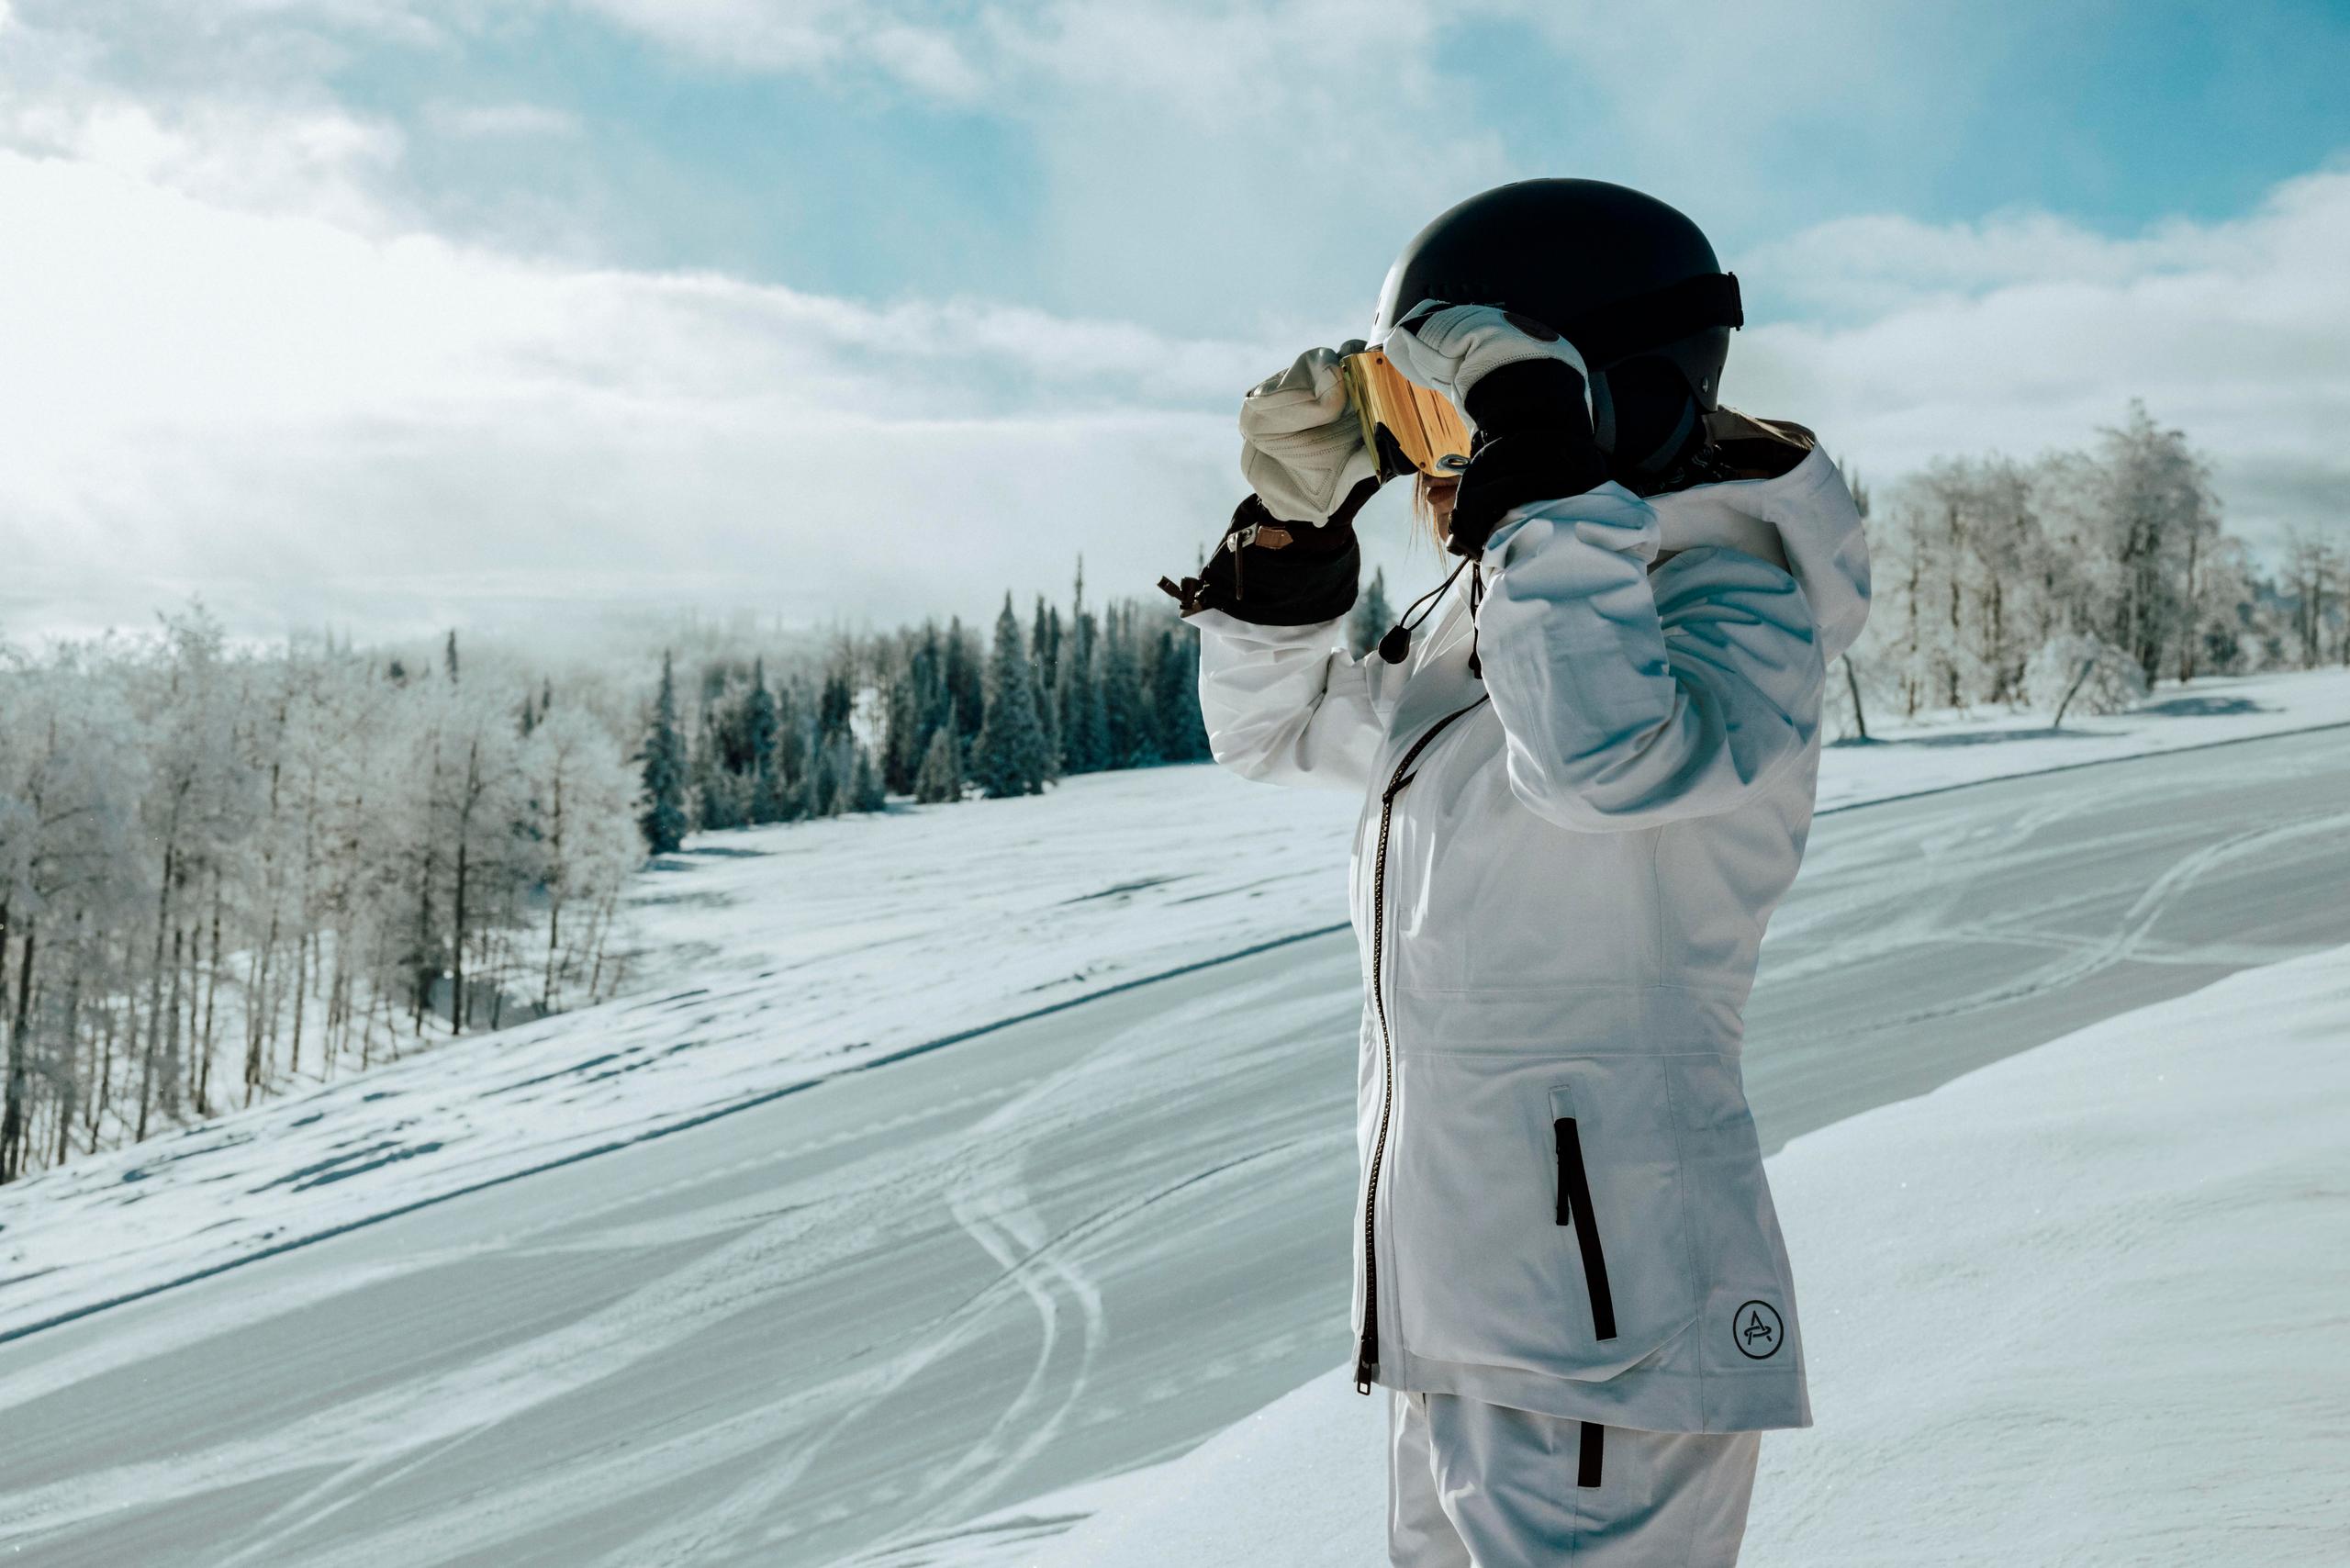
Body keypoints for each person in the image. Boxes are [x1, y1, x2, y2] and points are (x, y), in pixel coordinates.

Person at [1160, 180, 1872, 1565]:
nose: (1441, 460)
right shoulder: (1524, 596)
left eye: (1468, 402)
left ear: (1594, 394)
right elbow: (1279, 733)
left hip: (1606, 1321)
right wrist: (1294, 535)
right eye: (1419, 412)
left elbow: (1604, 764)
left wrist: (1543, 491)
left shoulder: (1733, 600)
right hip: (1466, 1304)